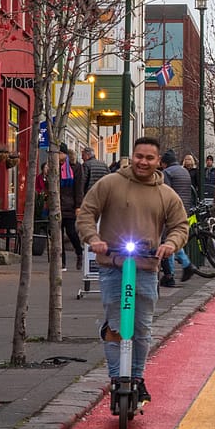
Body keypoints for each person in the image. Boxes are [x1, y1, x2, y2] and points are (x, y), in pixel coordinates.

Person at [79, 136, 189, 408]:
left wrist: (169, 244)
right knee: (116, 326)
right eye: (139, 156)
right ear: (133, 156)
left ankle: (137, 378)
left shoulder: (166, 194)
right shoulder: (110, 184)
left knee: (142, 328)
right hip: (113, 266)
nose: (143, 162)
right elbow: (86, 214)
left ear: (158, 161)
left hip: (145, 268)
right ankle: (117, 378)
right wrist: (94, 240)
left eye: (149, 158)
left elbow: (180, 226)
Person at [159, 150, 195, 286]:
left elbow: (166, 192)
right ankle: (186, 265)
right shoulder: (184, 171)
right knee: (174, 239)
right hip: (184, 208)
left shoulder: (167, 173)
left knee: (168, 240)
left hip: (171, 211)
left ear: (165, 163)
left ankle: (170, 275)